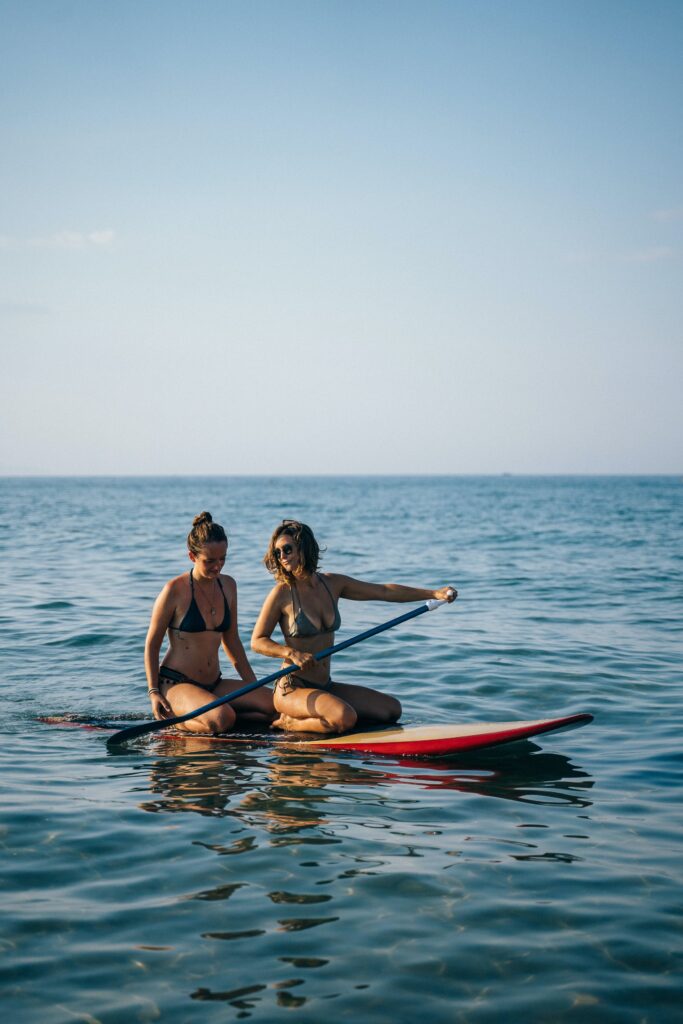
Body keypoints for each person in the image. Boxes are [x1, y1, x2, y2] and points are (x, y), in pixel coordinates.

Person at [251, 520, 456, 735]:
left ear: (304, 547)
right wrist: (291, 653)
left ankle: (325, 719)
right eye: (277, 552)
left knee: (391, 710)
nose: (282, 556)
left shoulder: (333, 584)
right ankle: (290, 723)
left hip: (325, 684)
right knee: (344, 717)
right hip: (293, 687)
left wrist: (433, 594)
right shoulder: (281, 593)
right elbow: (257, 641)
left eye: (287, 549)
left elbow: (384, 591)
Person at [145, 512, 274, 733]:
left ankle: (219, 716)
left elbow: (232, 642)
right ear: (192, 556)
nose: (218, 566)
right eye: (210, 561)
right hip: (176, 685)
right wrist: (153, 692)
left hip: (215, 683)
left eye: (223, 558)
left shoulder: (229, 586)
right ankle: (178, 718)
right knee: (222, 718)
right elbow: (152, 645)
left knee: (274, 705)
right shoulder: (174, 591)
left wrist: (253, 686)